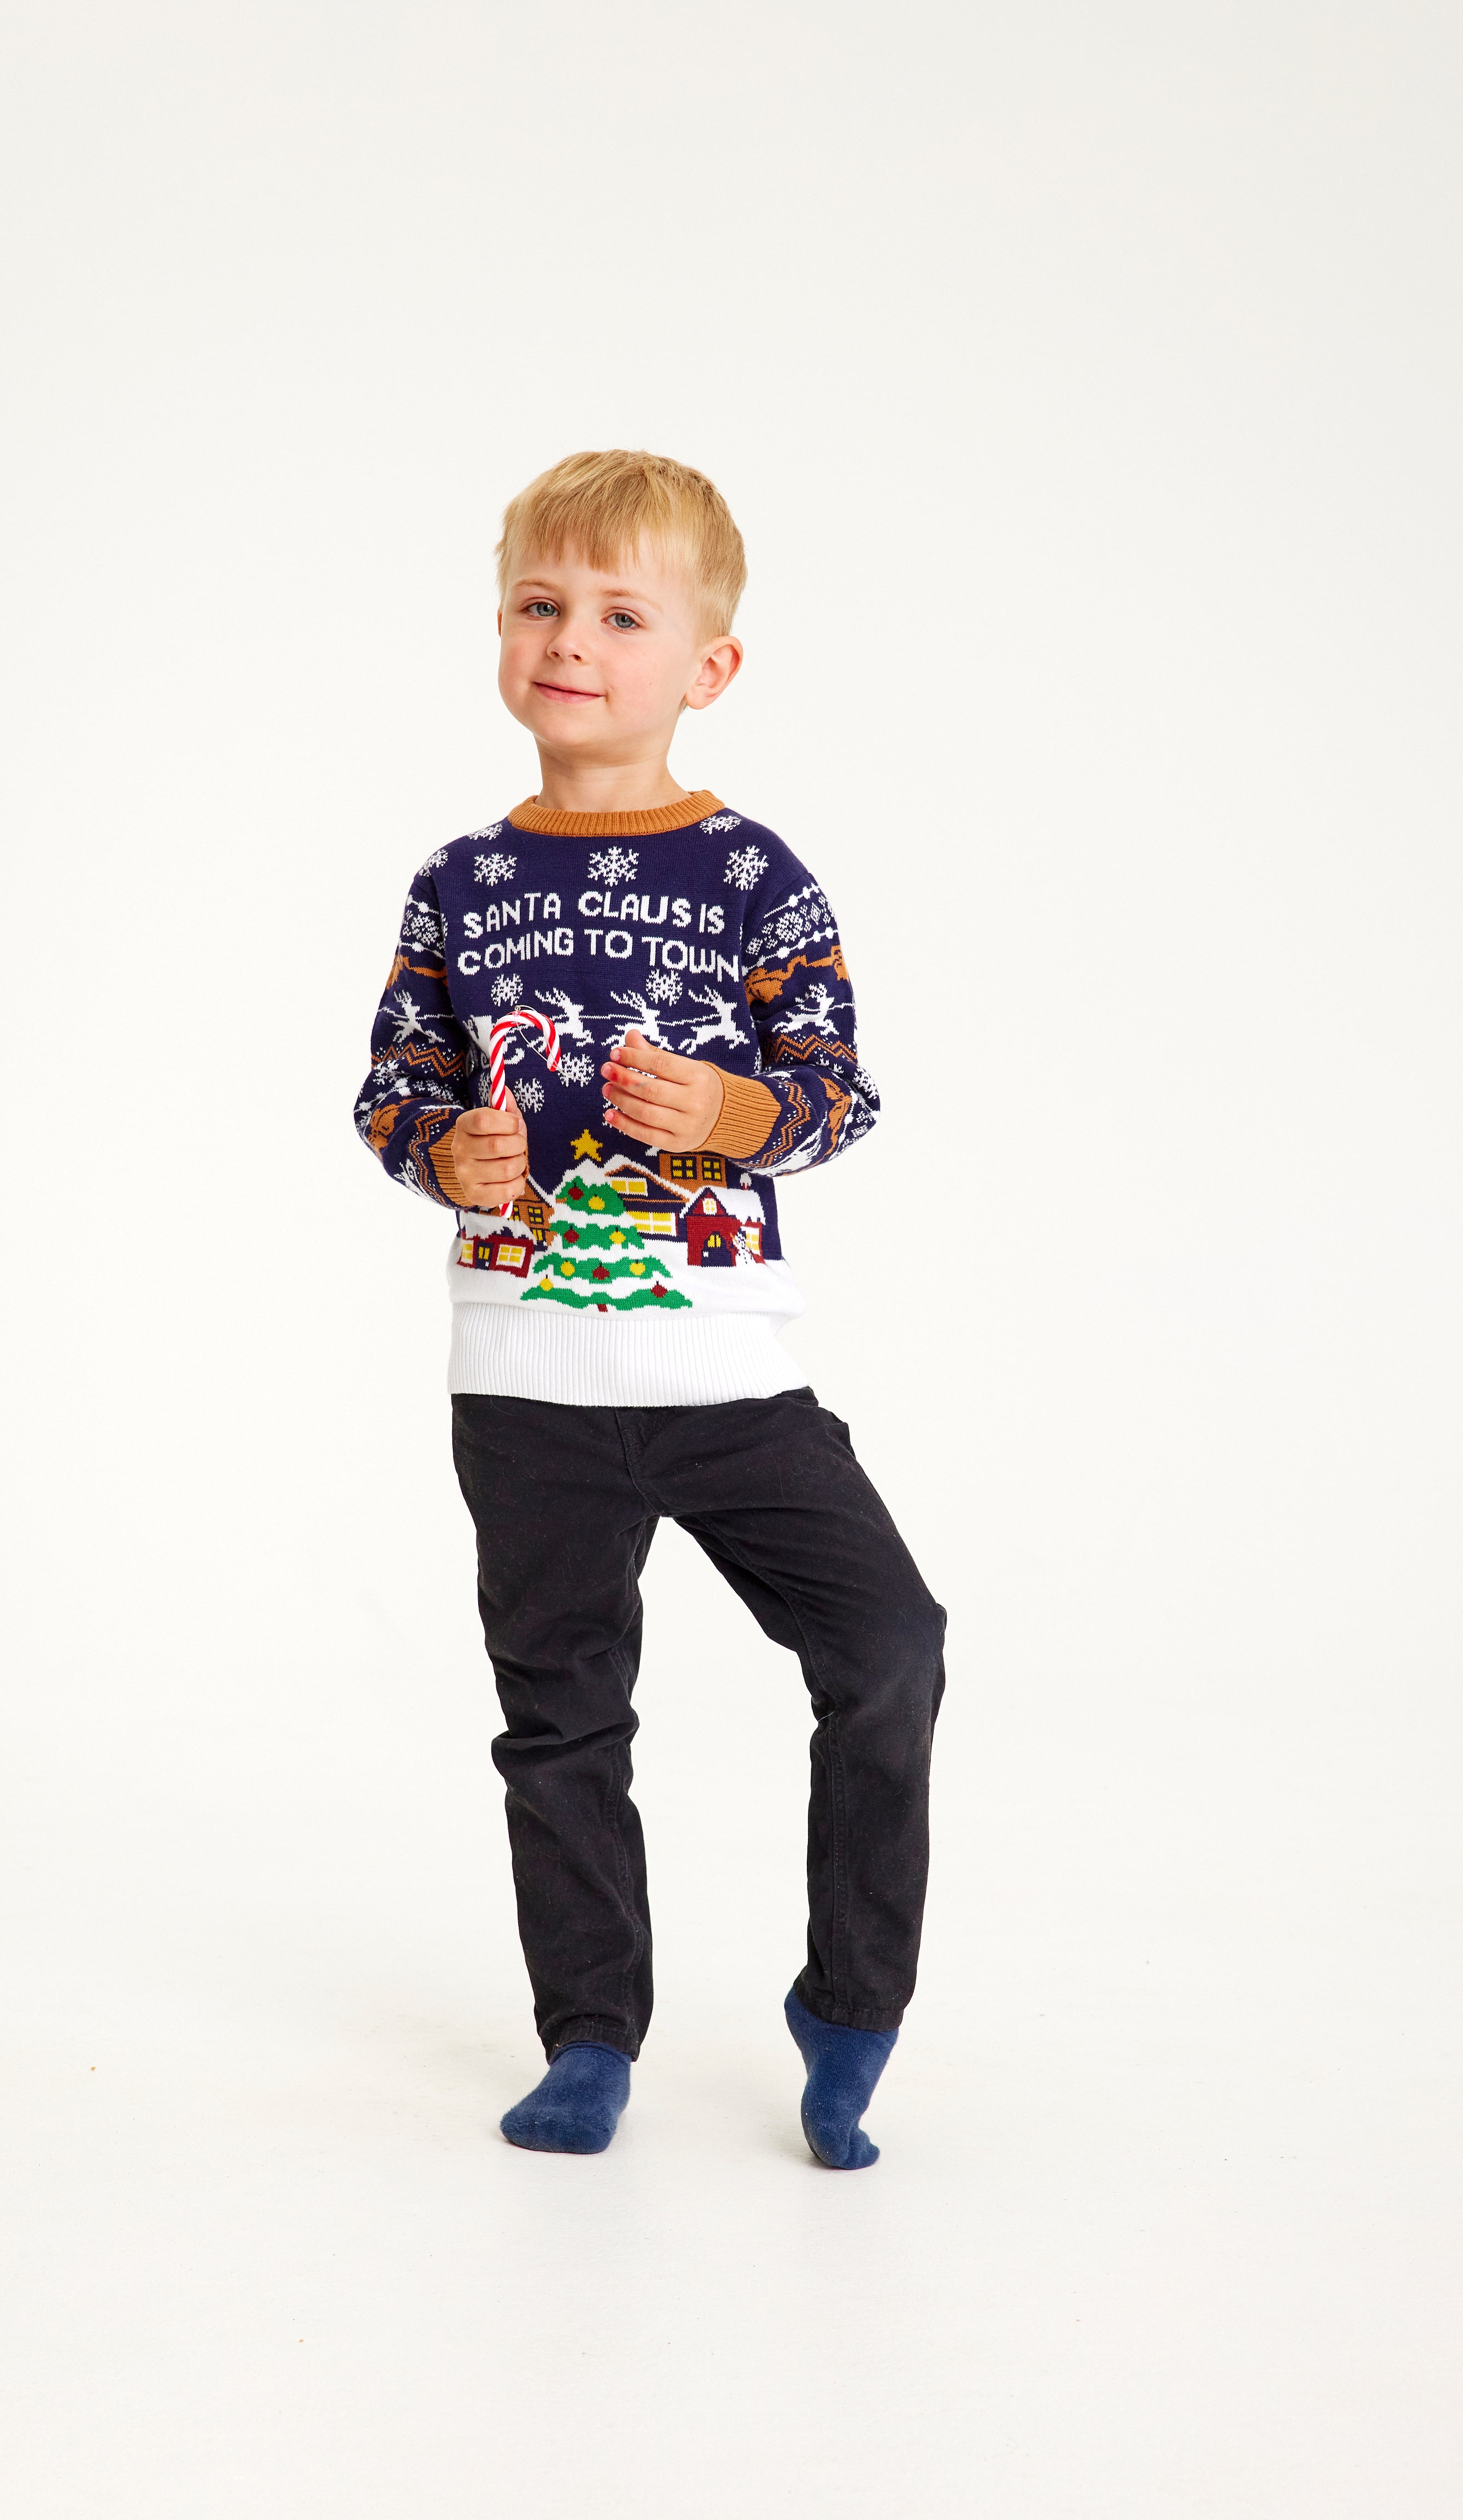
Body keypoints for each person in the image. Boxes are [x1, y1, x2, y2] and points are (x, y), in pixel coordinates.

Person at [354, 450, 945, 2167]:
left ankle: (850, 1998)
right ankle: (590, 2032)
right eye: (543, 603)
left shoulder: (755, 875)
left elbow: (837, 1088)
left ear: (708, 665)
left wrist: (735, 1116)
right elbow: (390, 1093)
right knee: (560, 1714)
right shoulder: (457, 884)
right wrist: (444, 1154)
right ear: (500, 629)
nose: (573, 640)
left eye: (622, 613)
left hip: (725, 1374)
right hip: (525, 1382)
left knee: (887, 1644)